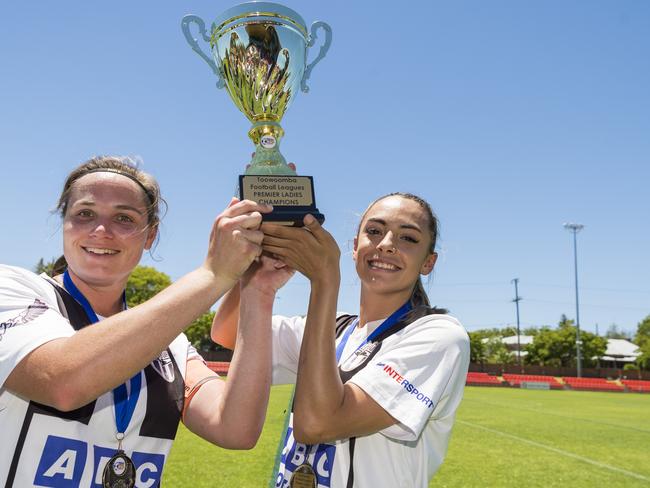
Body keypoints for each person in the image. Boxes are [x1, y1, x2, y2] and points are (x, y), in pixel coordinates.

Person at [0, 156, 275, 487]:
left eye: (124, 218)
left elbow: (235, 427)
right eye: (84, 214)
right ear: (65, 223)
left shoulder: (169, 341)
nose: (101, 230)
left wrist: (258, 292)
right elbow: (62, 380)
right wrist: (213, 275)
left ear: (150, 236)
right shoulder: (14, 291)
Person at [212, 192, 471, 488]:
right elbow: (229, 332)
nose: (386, 244)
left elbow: (317, 424)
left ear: (428, 262)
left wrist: (324, 280)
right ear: (354, 247)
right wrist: (255, 273)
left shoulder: (439, 336)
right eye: (374, 231)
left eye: (408, 238)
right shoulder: (333, 329)